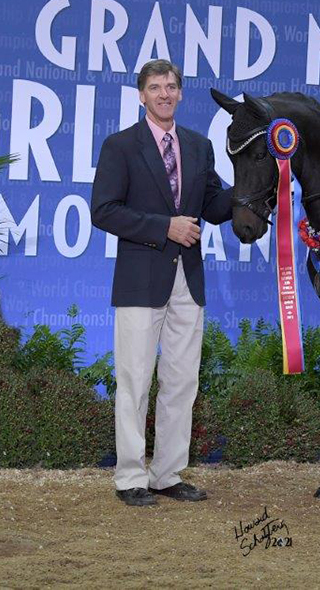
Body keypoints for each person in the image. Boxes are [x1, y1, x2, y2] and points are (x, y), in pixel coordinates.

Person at [91, 59, 232, 507]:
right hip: (140, 279)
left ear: (180, 93)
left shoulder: (199, 145)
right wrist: (164, 227)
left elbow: (214, 205)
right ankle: (130, 477)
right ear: (141, 95)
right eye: (155, 87)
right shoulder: (120, 146)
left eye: (171, 86)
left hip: (187, 281)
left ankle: (167, 474)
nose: (165, 94)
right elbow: (104, 210)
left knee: (182, 381)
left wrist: (260, 185)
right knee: (134, 379)